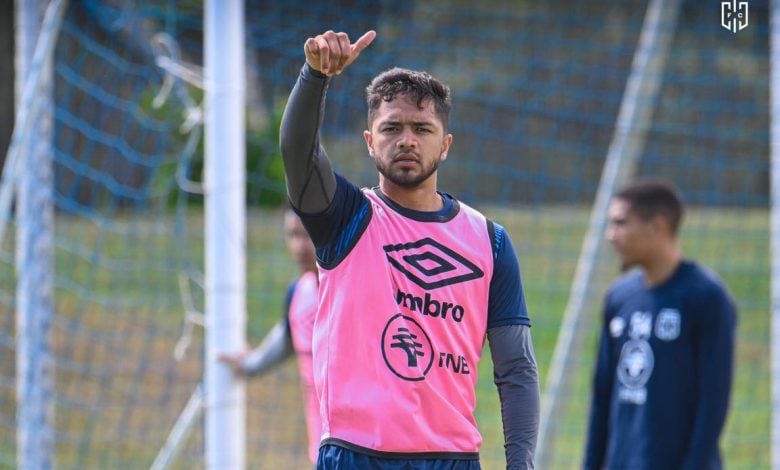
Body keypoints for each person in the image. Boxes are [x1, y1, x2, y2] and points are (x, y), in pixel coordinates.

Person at [279, 29, 539, 469]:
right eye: (391, 128)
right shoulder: (344, 218)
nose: (407, 140)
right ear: (369, 141)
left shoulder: (489, 242)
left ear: (446, 144)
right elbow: (297, 152)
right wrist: (314, 77)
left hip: (450, 458)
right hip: (355, 454)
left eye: (423, 128)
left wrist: (521, 464)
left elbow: (516, 368)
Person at [583, 178, 737, 470]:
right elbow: (602, 397)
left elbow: (713, 403)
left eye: (620, 223)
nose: (610, 235)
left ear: (657, 226)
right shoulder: (619, 298)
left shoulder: (706, 297)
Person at [219, 208, 321, 464]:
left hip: (372, 452)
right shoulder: (298, 294)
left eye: (307, 235)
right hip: (322, 453)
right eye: (292, 235)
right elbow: (288, 338)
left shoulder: (356, 291)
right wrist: (247, 363)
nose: (300, 246)